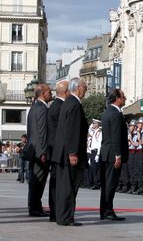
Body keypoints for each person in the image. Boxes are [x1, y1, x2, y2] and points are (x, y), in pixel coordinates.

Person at [52, 78, 88, 226]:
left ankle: (62, 216)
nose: (86, 89)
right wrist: (73, 153)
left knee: (64, 186)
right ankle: (66, 217)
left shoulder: (68, 103)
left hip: (63, 152)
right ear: (78, 88)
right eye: (85, 87)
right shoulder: (74, 104)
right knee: (69, 187)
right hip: (70, 154)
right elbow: (72, 130)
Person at [100, 89, 128, 221]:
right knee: (110, 184)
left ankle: (104, 210)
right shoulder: (116, 114)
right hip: (113, 154)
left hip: (106, 152)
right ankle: (108, 211)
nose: (125, 98)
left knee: (106, 184)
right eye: (123, 96)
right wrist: (118, 155)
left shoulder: (107, 112)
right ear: (117, 98)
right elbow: (116, 136)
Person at [26, 84, 52, 217]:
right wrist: (43, 151)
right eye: (49, 91)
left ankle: (35, 206)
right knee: (38, 181)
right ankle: (35, 208)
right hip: (39, 151)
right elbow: (42, 132)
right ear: (43, 93)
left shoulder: (33, 108)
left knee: (35, 180)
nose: (51, 93)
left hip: (33, 150)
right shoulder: (42, 109)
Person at [47, 80, 69, 222]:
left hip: (53, 149)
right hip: (59, 150)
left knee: (54, 182)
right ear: (66, 92)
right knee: (59, 183)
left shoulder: (54, 105)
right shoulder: (61, 106)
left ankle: (54, 211)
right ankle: (57, 211)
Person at [89, 119, 102, 190]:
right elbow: (89, 131)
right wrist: (91, 127)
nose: (93, 124)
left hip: (96, 151)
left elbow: (100, 144)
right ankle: (95, 183)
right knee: (93, 168)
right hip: (92, 152)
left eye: (94, 123)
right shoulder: (94, 132)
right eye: (93, 123)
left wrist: (98, 154)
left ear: (98, 124)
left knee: (97, 169)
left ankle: (97, 184)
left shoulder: (99, 133)